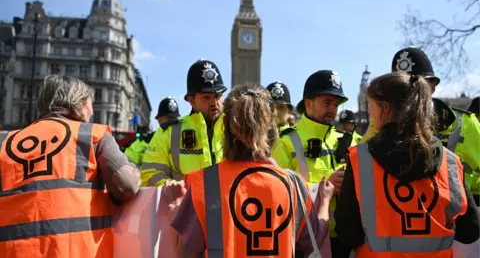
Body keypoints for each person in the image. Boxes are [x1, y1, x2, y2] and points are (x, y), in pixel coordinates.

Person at [164, 83, 334, 257]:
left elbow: (183, 253)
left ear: (224, 124)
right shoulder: (294, 185)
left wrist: (174, 205)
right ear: (270, 125)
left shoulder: (204, 184)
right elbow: (315, 238)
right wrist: (325, 201)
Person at [335, 72, 479, 257]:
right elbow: (470, 232)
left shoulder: (360, 160)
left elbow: (348, 233)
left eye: (371, 105)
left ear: (385, 109)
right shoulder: (450, 162)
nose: (369, 112)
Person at [0, 75, 140, 258]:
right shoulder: (91, 135)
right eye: (91, 105)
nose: (91, 113)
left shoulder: (5, 141)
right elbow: (127, 185)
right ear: (80, 104)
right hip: (76, 252)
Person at [272, 70, 357, 257]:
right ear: (307, 104)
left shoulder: (351, 140)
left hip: (348, 240)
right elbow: (278, 194)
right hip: (306, 240)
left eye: (336, 104)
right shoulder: (285, 143)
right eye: (327, 102)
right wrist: (323, 187)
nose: (333, 109)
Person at [392, 47, 480, 207]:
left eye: (417, 85)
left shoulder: (465, 124)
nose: (410, 93)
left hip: (453, 221)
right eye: (402, 87)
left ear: (433, 87)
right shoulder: (382, 126)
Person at [140, 59, 227, 187]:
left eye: (218, 96)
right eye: (206, 97)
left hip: (228, 206)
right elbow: (149, 173)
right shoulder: (168, 132)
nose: (214, 102)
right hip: (185, 206)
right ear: (191, 100)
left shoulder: (236, 128)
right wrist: (174, 190)